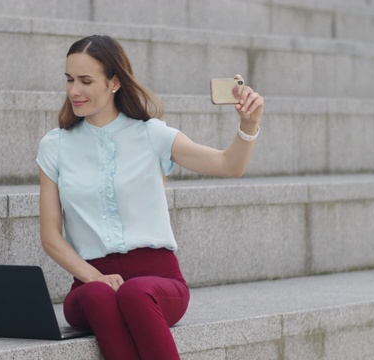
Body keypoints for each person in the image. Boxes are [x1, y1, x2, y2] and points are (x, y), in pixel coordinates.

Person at [36, 35, 264, 360]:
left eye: (86, 81)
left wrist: (248, 125)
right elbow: (50, 237)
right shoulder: (54, 145)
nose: (74, 90)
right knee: (101, 295)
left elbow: (229, 165)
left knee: (134, 292)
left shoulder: (151, 134)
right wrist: (95, 277)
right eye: (70, 79)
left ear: (114, 82)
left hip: (158, 283)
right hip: (89, 285)